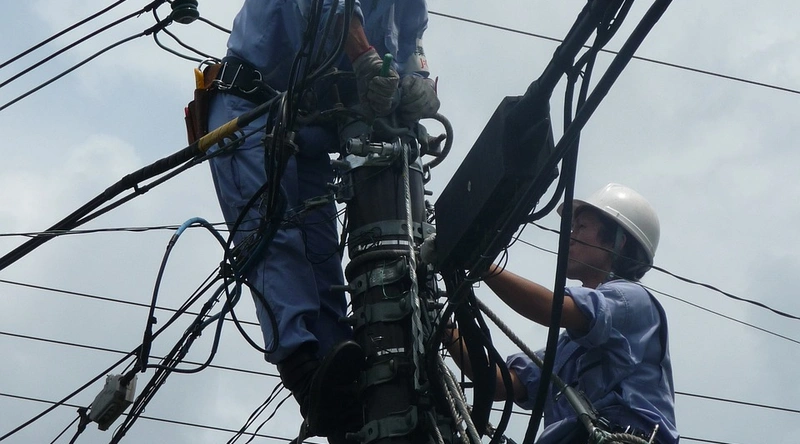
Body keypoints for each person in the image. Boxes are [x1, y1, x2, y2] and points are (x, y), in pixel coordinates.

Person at [204, 0, 439, 441]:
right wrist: (365, 59)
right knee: (274, 240)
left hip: (308, 127)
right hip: (249, 108)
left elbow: (411, 44)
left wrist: (417, 84)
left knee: (321, 256)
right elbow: (332, 9)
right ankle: (305, 373)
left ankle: (342, 390)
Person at [445, 183, 678, 444]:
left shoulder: (632, 301)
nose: (570, 236)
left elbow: (551, 310)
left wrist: (481, 263)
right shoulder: (567, 349)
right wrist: (444, 329)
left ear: (618, 242)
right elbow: (501, 384)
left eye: (581, 227)